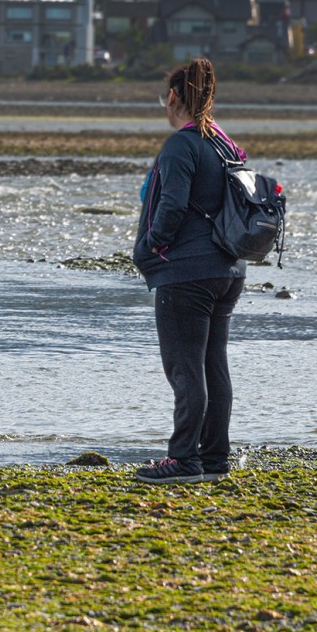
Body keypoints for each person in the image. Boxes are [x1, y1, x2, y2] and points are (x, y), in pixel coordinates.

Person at [131, 57, 246, 485]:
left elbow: (173, 205)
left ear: (174, 96)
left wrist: (152, 245)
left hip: (185, 273)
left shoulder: (182, 144)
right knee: (213, 367)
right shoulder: (225, 143)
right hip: (227, 271)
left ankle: (184, 459)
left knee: (185, 369)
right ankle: (215, 458)